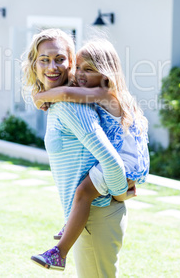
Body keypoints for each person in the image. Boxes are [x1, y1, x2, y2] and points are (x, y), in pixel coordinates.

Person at [29, 37, 149, 273]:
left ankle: (59, 252)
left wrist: (41, 96)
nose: (80, 75)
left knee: (83, 192)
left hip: (124, 164)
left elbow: (65, 93)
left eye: (89, 69)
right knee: (82, 193)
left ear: (105, 75)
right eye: (78, 68)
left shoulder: (105, 93)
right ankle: (71, 225)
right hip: (123, 163)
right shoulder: (97, 92)